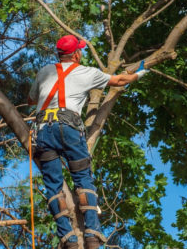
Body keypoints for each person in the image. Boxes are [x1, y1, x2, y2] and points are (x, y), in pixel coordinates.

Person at [28, 35, 148, 249]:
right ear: (76, 54)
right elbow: (119, 81)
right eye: (80, 50)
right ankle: (92, 235)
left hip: (43, 131)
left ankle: (68, 239)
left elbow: (31, 99)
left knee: (54, 186)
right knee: (83, 180)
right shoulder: (87, 72)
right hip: (70, 128)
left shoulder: (44, 71)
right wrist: (139, 73)